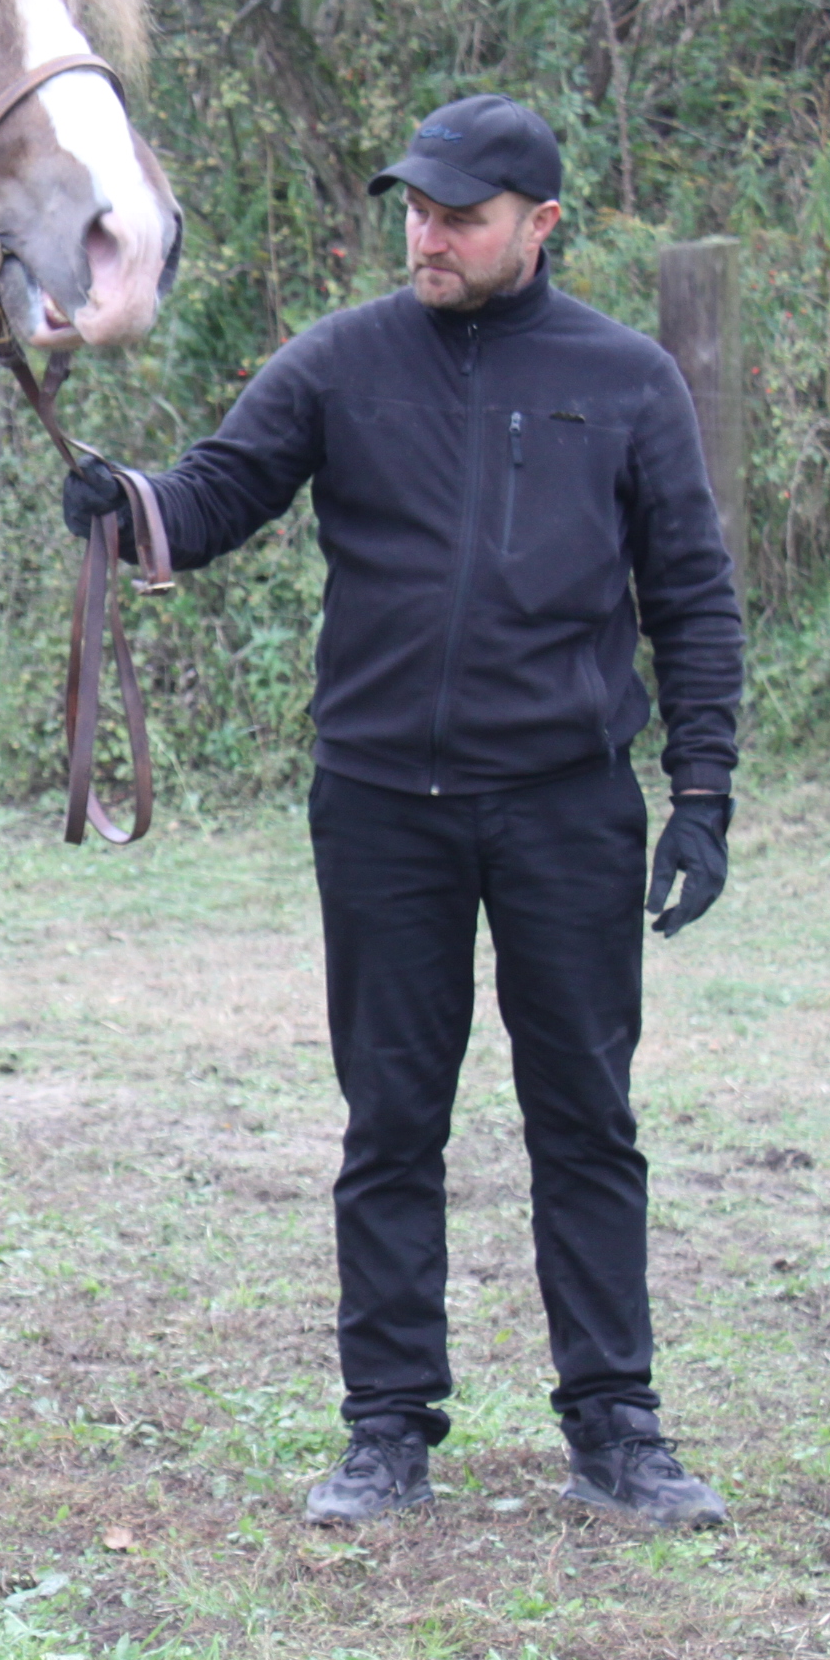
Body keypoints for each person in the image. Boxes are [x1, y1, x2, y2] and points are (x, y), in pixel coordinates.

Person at [65, 94, 744, 1528]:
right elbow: (216, 496)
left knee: (586, 1118)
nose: (427, 237)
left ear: (541, 226)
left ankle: (616, 1429)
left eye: (461, 216)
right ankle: (387, 1434)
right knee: (390, 1121)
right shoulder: (344, 360)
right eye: (416, 211)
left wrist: (704, 796)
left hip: (567, 807)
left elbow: (692, 595)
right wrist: (123, 504)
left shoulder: (626, 380)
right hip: (381, 806)